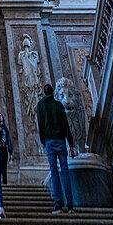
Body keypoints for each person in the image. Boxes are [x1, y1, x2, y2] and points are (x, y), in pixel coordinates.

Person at [36, 82, 76, 214]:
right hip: (60, 140)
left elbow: (40, 125)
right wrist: (71, 144)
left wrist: (43, 141)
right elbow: (65, 125)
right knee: (65, 171)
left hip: (49, 142)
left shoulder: (40, 105)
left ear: (44, 92)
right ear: (53, 92)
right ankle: (70, 205)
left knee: (54, 172)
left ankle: (58, 205)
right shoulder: (58, 105)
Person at [0, 112, 14, 184]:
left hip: (4, 149)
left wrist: (10, 151)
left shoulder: (5, 128)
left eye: (1, 116)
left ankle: (5, 183)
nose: (0, 117)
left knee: (4, 167)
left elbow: (9, 140)